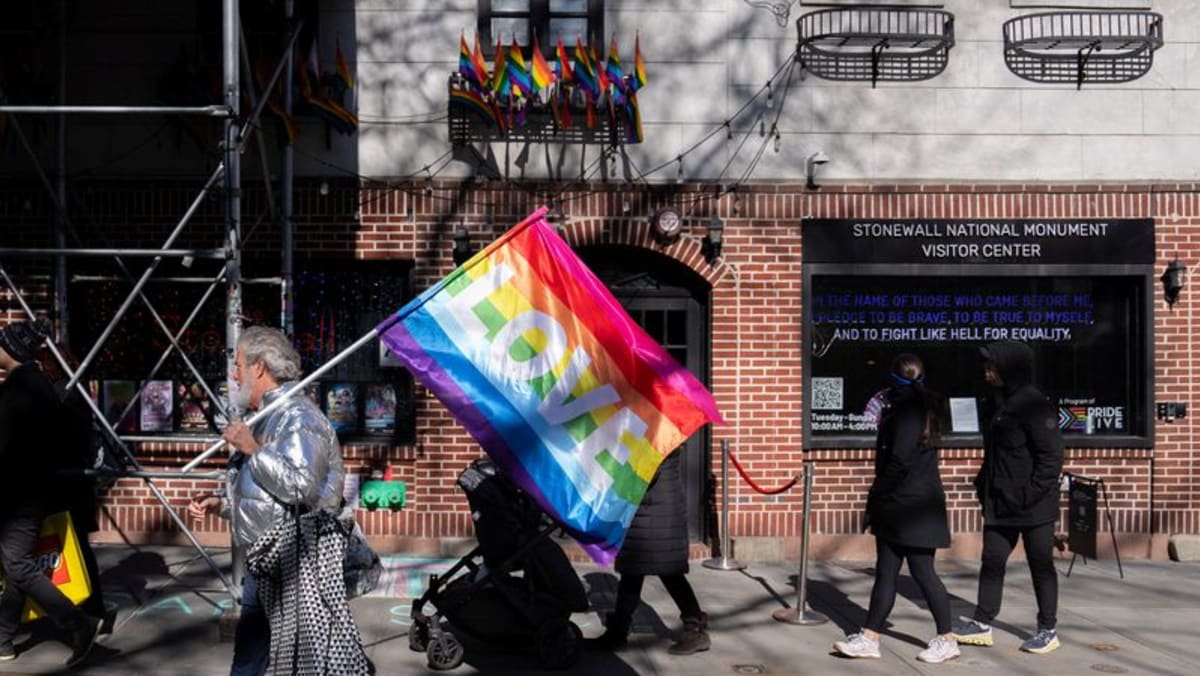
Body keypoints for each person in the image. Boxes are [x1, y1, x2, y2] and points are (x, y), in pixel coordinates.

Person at [188, 326, 367, 675]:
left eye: (238, 364)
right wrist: (222, 504)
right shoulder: (267, 416)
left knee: (290, 662)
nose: (234, 374)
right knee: (263, 660)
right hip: (268, 560)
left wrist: (253, 449)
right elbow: (268, 498)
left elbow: (300, 488)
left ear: (258, 367)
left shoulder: (298, 417)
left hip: (294, 564)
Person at [833, 354, 959, 664]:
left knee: (922, 572)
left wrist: (877, 494)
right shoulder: (922, 407)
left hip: (910, 507)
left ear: (894, 378)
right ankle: (870, 636)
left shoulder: (907, 412)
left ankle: (947, 638)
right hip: (907, 505)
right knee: (886, 571)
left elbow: (899, 461)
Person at [0, 320, 102, 667]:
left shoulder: (20, 391)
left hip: (21, 495)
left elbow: (10, 450)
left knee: (16, 564)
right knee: (14, 563)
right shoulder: (33, 385)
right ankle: (2, 639)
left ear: (10, 350)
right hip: (30, 491)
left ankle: (78, 623)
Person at [953, 340, 1064, 654]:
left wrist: (1028, 495)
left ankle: (1048, 629)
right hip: (1000, 502)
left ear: (1009, 368)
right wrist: (982, 484)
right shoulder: (996, 403)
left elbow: (1051, 459)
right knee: (992, 562)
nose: (987, 372)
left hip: (1035, 506)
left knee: (1040, 565)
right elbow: (994, 454)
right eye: (986, 366)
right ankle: (982, 622)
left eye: (992, 366)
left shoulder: (1035, 405)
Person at [591, 450, 710, 655]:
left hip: (655, 514)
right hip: (650, 513)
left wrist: (609, 464)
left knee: (667, 574)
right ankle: (618, 633)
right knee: (633, 574)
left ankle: (695, 629)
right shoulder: (656, 433)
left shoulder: (657, 438)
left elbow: (643, 475)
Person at [34, 343, 108, 627]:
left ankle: (89, 612)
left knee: (68, 550)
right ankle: (91, 609)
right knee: (76, 551)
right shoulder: (75, 390)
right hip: (76, 482)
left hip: (64, 483)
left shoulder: (59, 393)